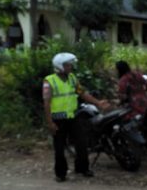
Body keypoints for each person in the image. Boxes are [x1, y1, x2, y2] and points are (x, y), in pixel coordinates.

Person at [43, 52, 109, 182]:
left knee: (81, 143)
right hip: (58, 119)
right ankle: (61, 174)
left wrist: (98, 102)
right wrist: (50, 122)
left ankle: (82, 168)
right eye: (68, 65)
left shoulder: (72, 78)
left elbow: (82, 93)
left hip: (73, 116)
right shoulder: (49, 81)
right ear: (60, 66)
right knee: (59, 147)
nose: (70, 67)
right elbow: (46, 103)